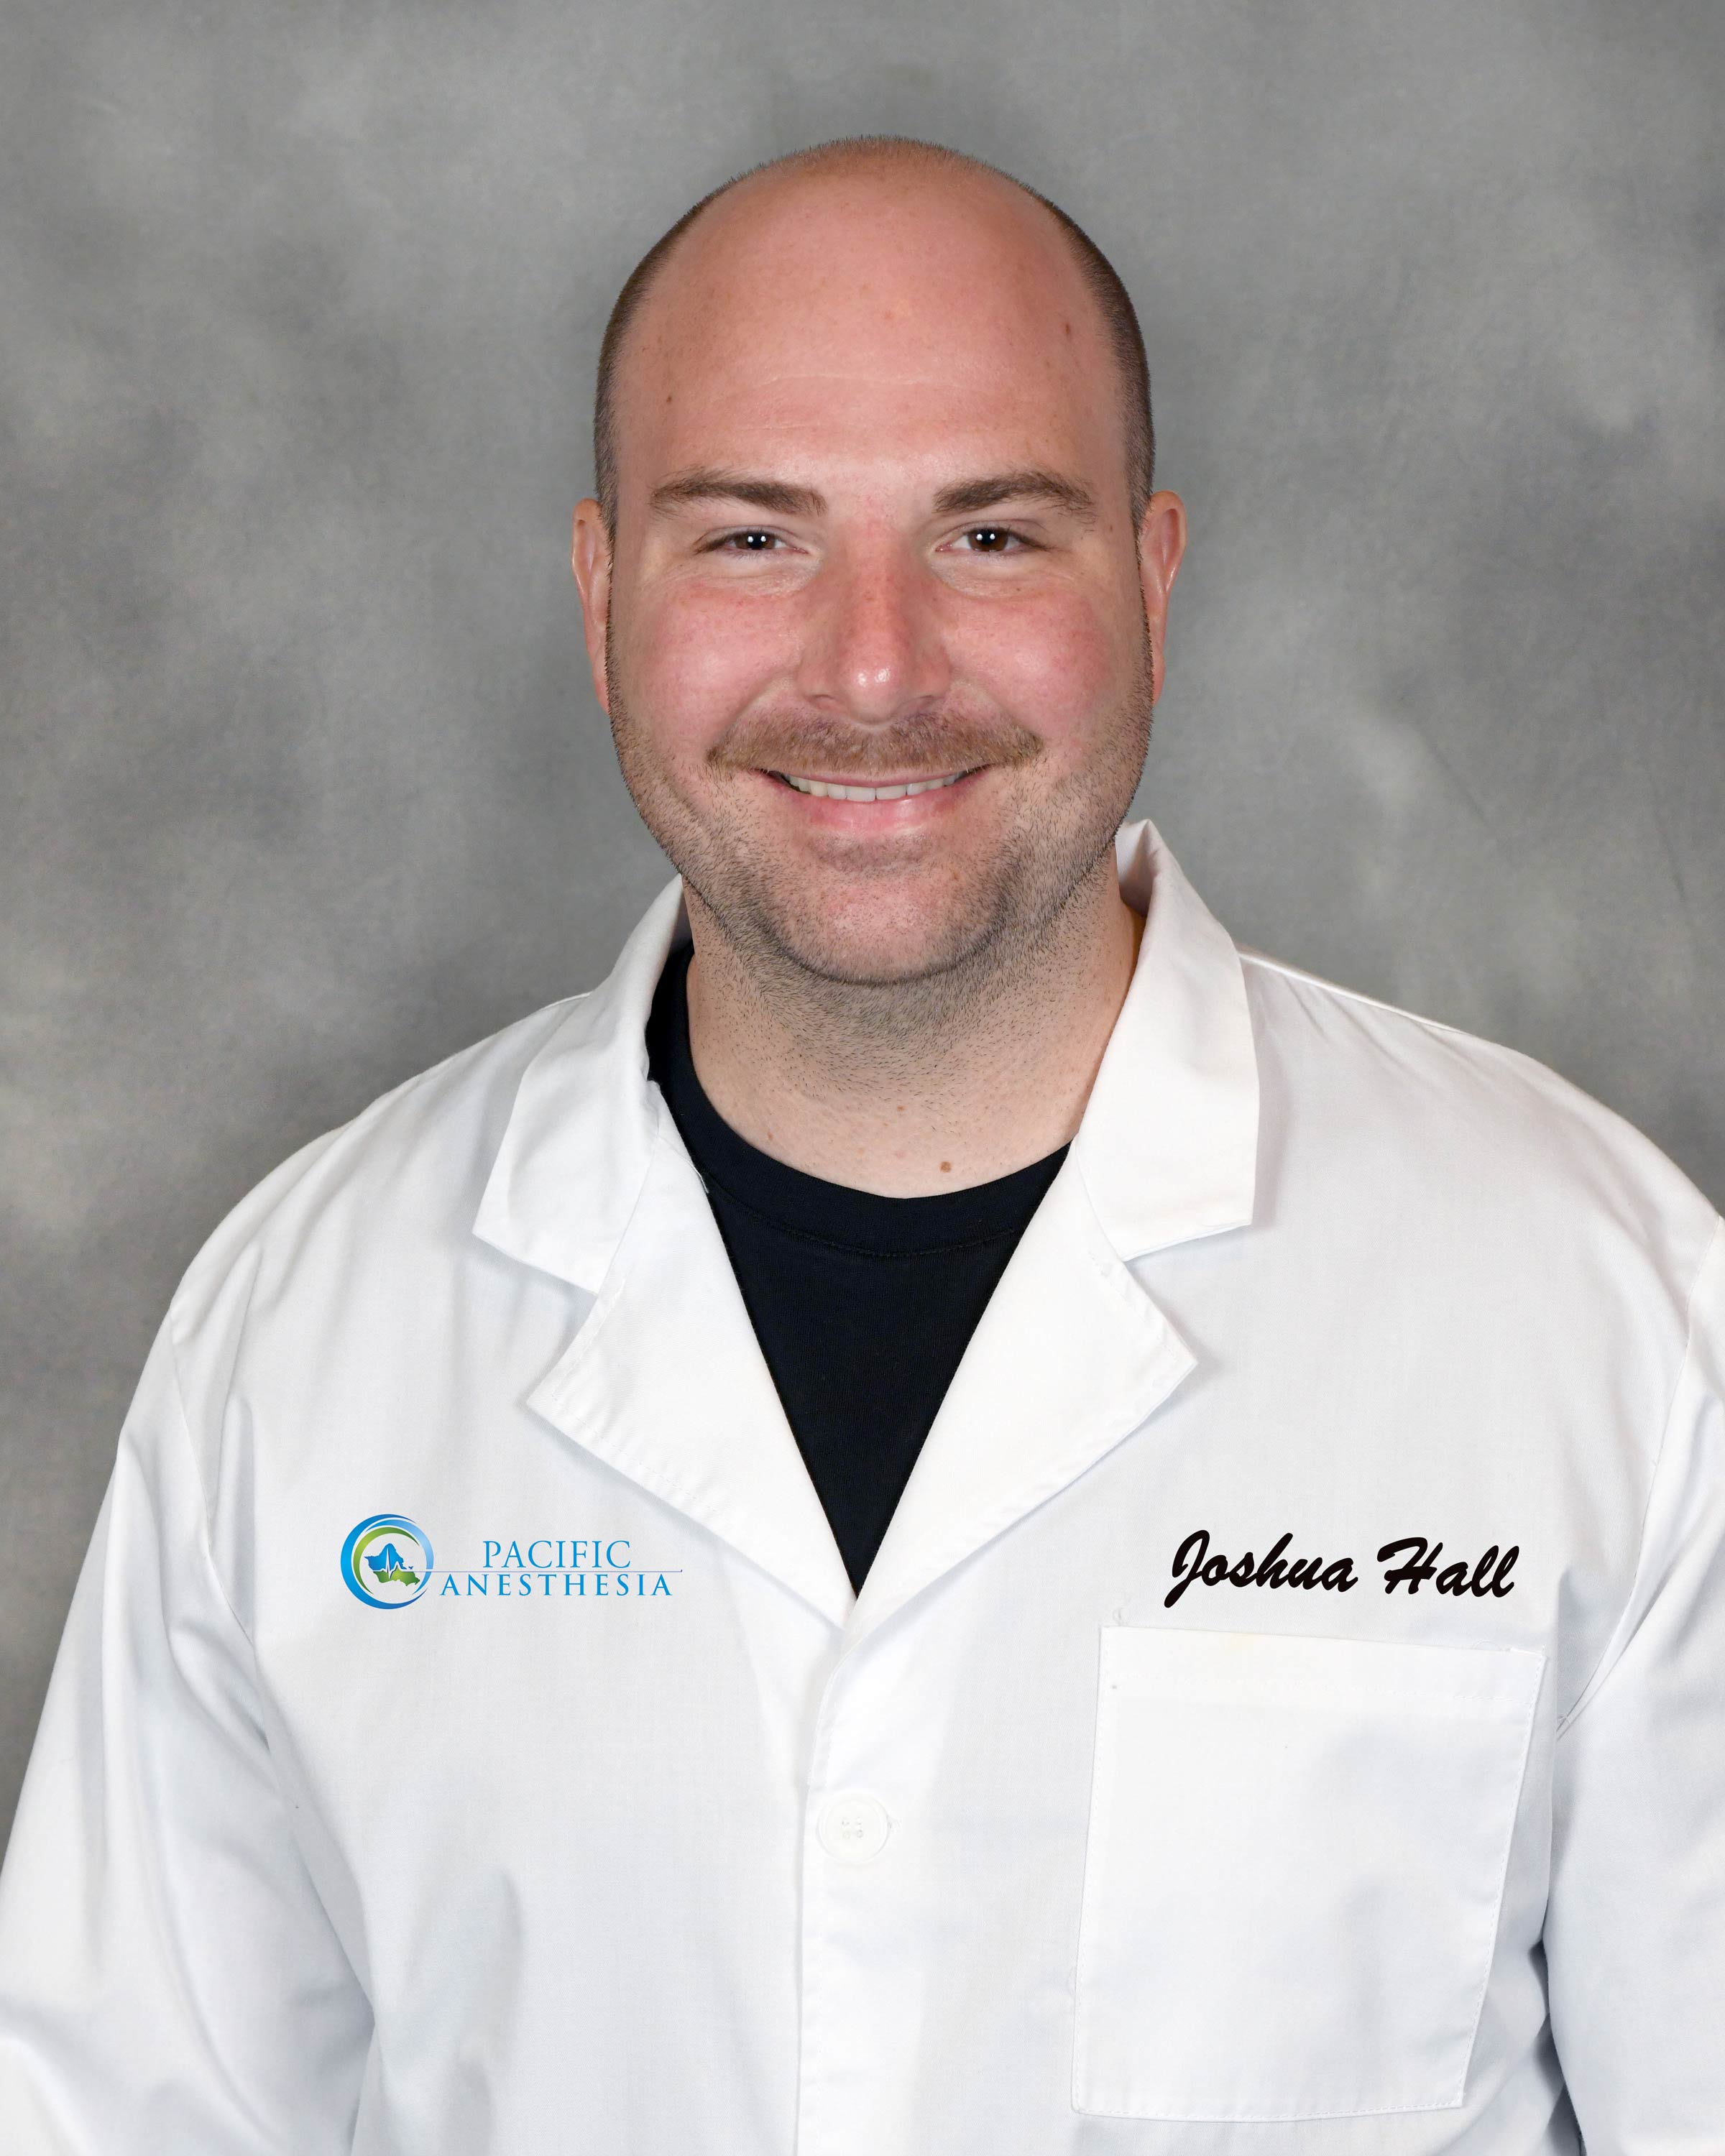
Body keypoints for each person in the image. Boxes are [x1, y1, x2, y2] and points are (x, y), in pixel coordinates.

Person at [0, 135, 1719, 2155]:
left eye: (993, 537)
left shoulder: (1599, 1313)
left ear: (1153, 584)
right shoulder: (306, 1335)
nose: (877, 666)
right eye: (751, 538)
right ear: (601, 590)